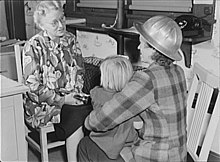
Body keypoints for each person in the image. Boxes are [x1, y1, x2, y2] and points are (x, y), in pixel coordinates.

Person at [77, 15, 187, 162]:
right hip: (177, 155)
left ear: (154, 49)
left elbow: (105, 118)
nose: (138, 47)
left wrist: (88, 122)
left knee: (85, 145)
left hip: (155, 156)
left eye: (142, 44)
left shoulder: (146, 80)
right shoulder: (178, 72)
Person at [22, 1, 94, 161]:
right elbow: (32, 88)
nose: (61, 25)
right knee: (78, 116)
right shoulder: (33, 46)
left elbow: (80, 72)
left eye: (62, 18)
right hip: (42, 106)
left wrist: (74, 94)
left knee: (97, 107)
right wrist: (61, 100)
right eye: (54, 22)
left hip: (70, 99)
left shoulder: (71, 40)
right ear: (41, 24)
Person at [88, 55, 141, 160]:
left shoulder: (97, 93)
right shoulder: (133, 96)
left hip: (107, 141)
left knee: (84, 143)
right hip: (129, 140)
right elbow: (138, 123)